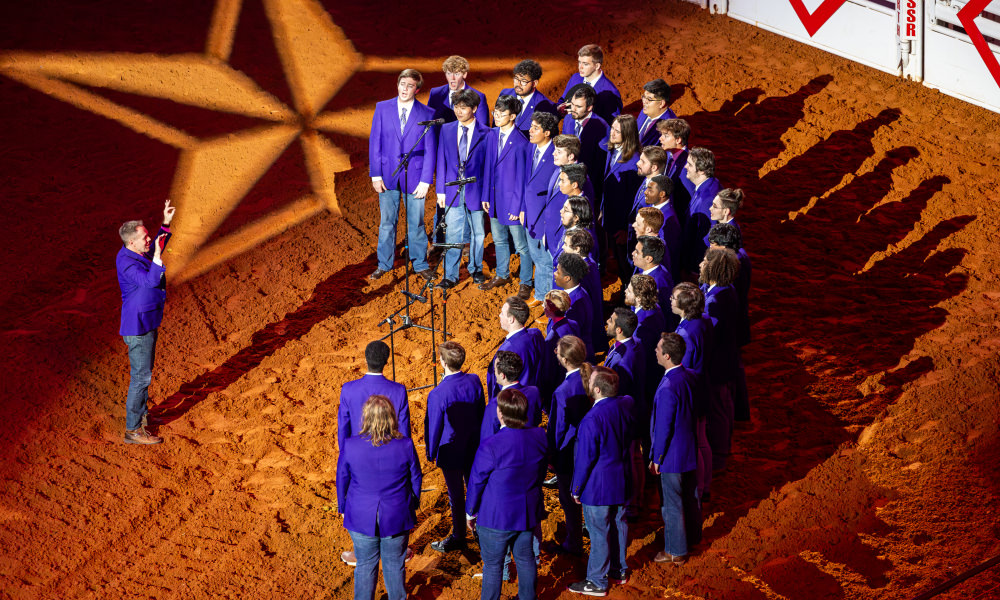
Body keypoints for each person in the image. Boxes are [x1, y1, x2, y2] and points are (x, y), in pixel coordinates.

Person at [337, 395, 422, 600]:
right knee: (395, 565)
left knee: (365, 565)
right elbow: (416, 478)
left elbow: (342, 479)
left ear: (365, 417)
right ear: (391, 417)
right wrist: (413, 503)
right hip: (397, 514)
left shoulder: (350, 445)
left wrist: (342, 508)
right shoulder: (406, 445)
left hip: (359, 514)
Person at [467, 389, 549, 600]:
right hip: (525, 513)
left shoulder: (490, 445)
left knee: (493, 566)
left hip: (495, 518)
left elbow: (476, 482)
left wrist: (470, 513)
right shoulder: (540, 437)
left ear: (501, 415)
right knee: (525, 558)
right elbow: (540, 474)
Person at [569, 367, 635, 596]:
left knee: (599, 533)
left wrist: (576, 489)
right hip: (623, 478)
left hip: (598, 487)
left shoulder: (591, 420)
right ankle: (619, 571)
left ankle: (597, 581)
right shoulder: (627, 404)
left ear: (596, 390)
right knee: (619, 524)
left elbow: (585, 460)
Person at [116, 198, 175, 445]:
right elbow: (150, 281)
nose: (148, 240)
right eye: (144, 238)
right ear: (132, 242)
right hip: (138, 327)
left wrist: (165, 224)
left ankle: (141, 417)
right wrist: (159, 257)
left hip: (147, 322)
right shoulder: (127, 262)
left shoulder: (136, 251)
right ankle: (133, 430)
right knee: (141, 378)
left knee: (144, 374)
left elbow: (156, 246)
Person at [368, 68, 436, 281]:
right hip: (388, 175)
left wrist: (426, 179)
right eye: (401, 84)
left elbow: (430, 149)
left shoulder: (427, 114)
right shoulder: (382, 108)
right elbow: (375, 143)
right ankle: (384, 264)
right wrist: (376, 175)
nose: (404, 89)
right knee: (387, 222)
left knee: (416, 223)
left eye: (409, 86)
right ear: (397, 84)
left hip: (415, 178)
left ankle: (420, 263)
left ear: (417, 90)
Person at [427, 341, 486, 553]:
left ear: (442, 362)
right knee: (474, 487)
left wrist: (431, 452)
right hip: (473, 444)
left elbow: (434, 426)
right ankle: (480, 530)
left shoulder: (438, 393)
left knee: (456, 496)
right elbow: (481, 411)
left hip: (450, 450)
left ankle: (459, 535)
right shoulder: (474, 380)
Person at [649, 333, 700, 564]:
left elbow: (663, 427)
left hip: (671, 454)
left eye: (658, 349)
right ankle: (692, 537)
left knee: (672, 503)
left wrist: (657, 457)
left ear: (667, 356)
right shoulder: (688, 376)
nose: (655, 352)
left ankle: (676, 550)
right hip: (688, 447)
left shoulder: (668, 386)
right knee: (690, 496)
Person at [435, 89, 492, 289]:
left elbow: (488, 168)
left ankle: (475, 269)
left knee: (477, 233)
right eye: (456, 107)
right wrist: (440, 191)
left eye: (463, 108)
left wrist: (486, 195)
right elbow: (441, 160)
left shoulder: (486, 133)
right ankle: (450, 275)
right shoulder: (447, 129)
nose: (459, 111)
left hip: (476, 192)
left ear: (474, 109)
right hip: (452, 191)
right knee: (452, 234)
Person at [545, 336, 593, 555]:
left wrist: (551, 456)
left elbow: (557, 428)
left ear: (564, 359)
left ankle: (573, 543)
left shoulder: (562, 390)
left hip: (568, 453)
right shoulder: (592, 375)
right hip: (591, 447)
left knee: (569, 500)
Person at [482, 95, 532, 293]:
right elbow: (487, 167)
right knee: (499, 240)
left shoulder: (521, 142)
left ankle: (526, 282)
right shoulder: (492, 135)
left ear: (512, 116)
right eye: (495, 112)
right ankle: (502, 274)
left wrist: (517, 207)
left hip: (511, 204)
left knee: (521, 246)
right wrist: (485, 195)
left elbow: (522, 179)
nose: (497, 116)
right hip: (494, 200)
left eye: (502, 114)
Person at [670, 282, 714, 499]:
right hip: (703, 387)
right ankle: (705, 485)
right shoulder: (702, 321)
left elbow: (683, 369)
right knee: (702, 438)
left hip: (692, 393)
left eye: (674, 298)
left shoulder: (687, 332)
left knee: (696, 440)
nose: (670, 299)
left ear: (684, 306)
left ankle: (701, 487)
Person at [699, 247, 741, 473]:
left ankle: (720, 456)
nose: (700, 265)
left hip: (718, 366)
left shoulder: (717, 299)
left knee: (719, 409)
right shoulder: (724, 291)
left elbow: (710, 333)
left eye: (705, 262)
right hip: (724, 361)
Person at [708, 222, 751, 422]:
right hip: (734, 324)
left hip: (730, 327)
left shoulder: (733, 266)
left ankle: (739, 412)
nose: (710, 249)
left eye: (713, 244)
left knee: (732, 373)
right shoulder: (739, 258)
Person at [338, 341, 411, 454]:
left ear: (366, 359)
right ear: (386, 361)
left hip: (357, 455)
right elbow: (404, 429)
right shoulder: (399, 390)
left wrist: (345, 456)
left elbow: (343, 427)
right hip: (390, 454)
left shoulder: (348, 389)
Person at [521, 112, 561, 306]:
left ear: (547, 133)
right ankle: (540, 294)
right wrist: (522, 209)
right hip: (529, 214)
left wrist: (548, 219)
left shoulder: (555, 155)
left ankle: (548, 300)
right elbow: (525, 183)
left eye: (535, 128)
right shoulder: (531, 149)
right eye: (531, 126)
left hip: (545, 216)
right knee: (537, 257)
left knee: (546, 260)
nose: (530, 130)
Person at [599, 114, 642, 277]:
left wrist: (626, 229)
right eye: (613, 128)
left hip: (622, 226)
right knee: (618, 259)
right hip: (612, 218)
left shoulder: (633, 162)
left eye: (618, 131)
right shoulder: (613, 151)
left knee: (627, 264)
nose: (613, 133)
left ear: (628, 135)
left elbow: (633, 201)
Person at [486, 296, 545, 398]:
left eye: (502, 313)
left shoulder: (506, 350)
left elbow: (500, 382)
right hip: (533, 393)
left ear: (511, 320)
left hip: (514, 400)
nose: (499, 315)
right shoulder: (536, 333)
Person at [481, 351, 543, 443]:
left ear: (502, 375)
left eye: (495, 370)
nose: (494, 373)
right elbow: (537, 419)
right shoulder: (534, 391)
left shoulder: (495, 405)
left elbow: (487, 440)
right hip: (532, 443)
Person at [559, 85, 608, 198]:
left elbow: (600, 166)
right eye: (572, 104)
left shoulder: (602, 127)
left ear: (589, 108)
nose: (573, 109)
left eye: (578, 106)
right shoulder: (568, 119)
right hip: (566, 181)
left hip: (586, 185)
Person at [557, 44, 623, 124]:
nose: (580, 67)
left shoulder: (610, 92)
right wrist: (559, 110)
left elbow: (612, 125)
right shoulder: (575, 78)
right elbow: (563, 100)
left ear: (597, 66)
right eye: (579, 62)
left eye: (585, 64)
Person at [682, 147, 721, 276]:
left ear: (702, 171)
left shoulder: (707, 199)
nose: (685, 167)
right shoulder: (707, 185)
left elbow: (705, 239)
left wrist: (694, 270)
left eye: (690, 165)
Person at [426, 55, 490, 126]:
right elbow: (429, 121)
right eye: (449, 73)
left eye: (456, 74)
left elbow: (483, 128)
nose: (452, 78)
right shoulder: (435, 93)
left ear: (464, 74)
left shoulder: (478, 96)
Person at [498, 60, 559, 134]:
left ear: (534, 83)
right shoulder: (505, 94)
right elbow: (496, 125)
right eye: (516, 79)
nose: (518, 84)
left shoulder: (545, 106)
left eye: (523, 81)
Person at [554, 252, 595, 360]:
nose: (555, 273)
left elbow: (570, 336)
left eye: (558, 271)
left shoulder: (574, 305)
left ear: (567, 278)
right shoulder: (579, 292)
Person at [642, 174, 683, 282]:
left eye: (650, 190)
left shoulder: (668, 221)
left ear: (662, 194)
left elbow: (665, 256)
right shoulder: (656, 209)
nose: (645, 192)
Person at [632, 236, 675, 327]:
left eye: (637, 252)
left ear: (648, 258)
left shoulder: (655, 283)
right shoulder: (658, 271)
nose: (633, 253)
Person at [657, 118, 691, 221]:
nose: (660, 139)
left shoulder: (687, 165)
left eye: (666, 136)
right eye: (662, 135)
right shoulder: (669, 154)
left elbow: (688, 200)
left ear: (678, 140)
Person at [636, 79, 676, 147]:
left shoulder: (671, 128)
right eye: (644, 97)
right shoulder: (645, 112)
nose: (644, 101)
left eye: (649, 99)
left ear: (661, 103)